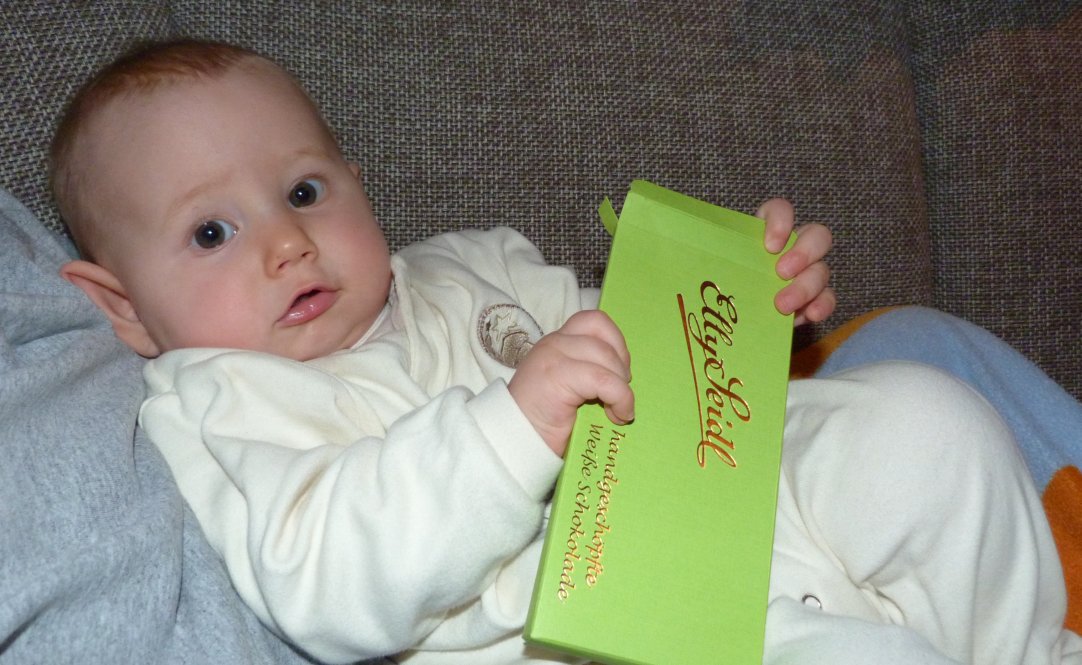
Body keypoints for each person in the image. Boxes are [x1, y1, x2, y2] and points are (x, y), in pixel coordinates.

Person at [50, 39, 1081, 665]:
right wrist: (509, 430)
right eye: (211, 232)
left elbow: (656, 359)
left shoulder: (474, 265)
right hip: (599, 631)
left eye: (304, 190)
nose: (285, 240)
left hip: (730, 503)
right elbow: (323, 582)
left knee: (922, 418)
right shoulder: (223, 402)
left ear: (356, 182)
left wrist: (742, 304)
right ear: (125, 307)